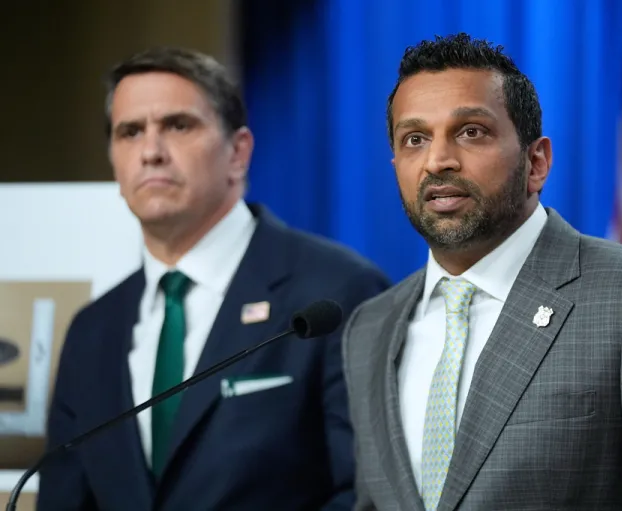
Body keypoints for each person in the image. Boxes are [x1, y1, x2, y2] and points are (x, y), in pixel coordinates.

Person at [342, 33, 622, 510]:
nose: (439, 160)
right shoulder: (370, 329)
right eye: (415, 139)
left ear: (536, 162)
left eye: (471, 132)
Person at [37, 47, 390, 511]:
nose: (151, 152)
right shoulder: (91, 331)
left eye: (178, 126)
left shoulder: (336, 294)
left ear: (238, 152)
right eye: (130, 132)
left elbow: (367, 493)